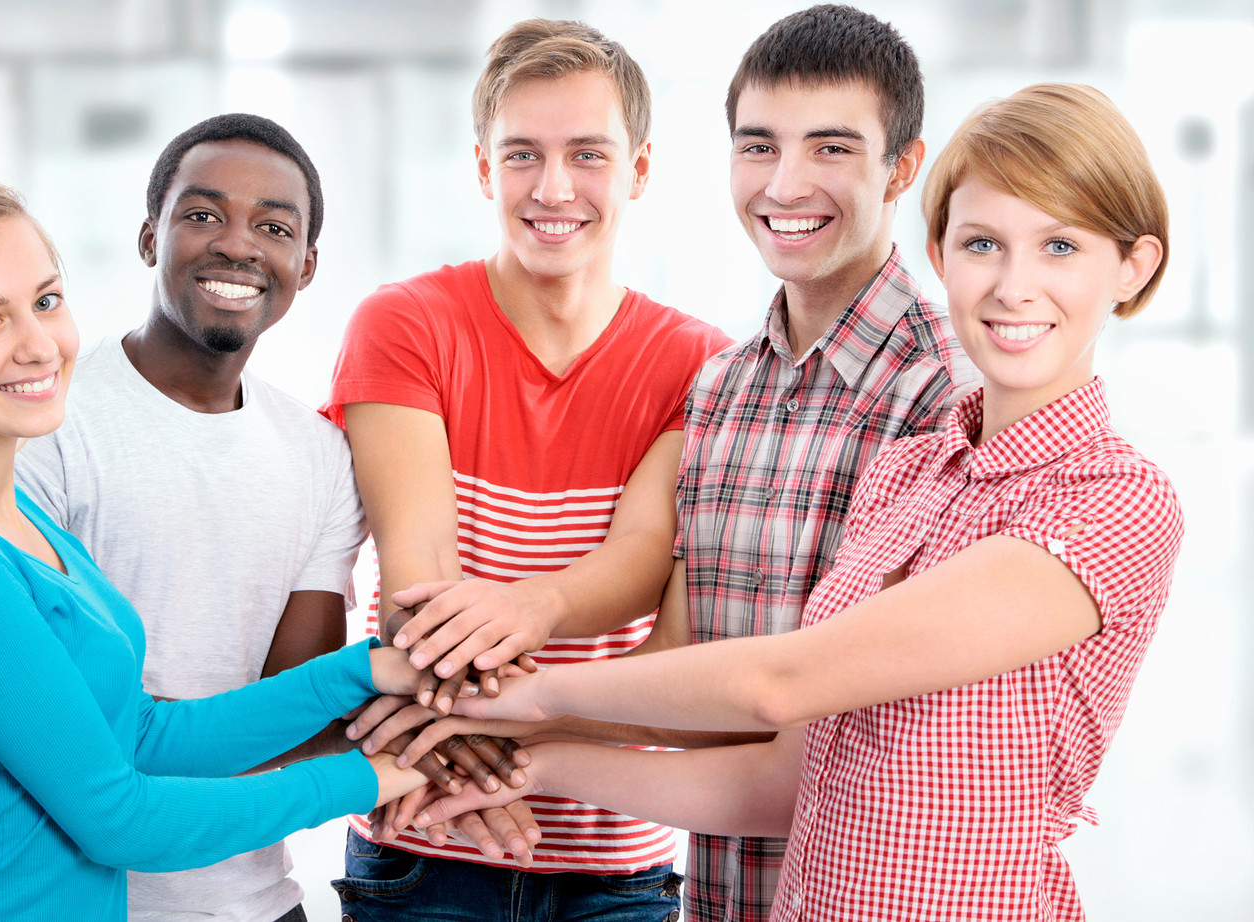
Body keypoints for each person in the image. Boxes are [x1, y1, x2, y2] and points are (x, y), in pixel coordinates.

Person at [411, 82, 1182, 922]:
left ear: (1133, 267)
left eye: (1060, 247)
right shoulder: (908, 473)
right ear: (943, 251)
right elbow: (779, 781)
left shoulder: (1116, 500)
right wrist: (534, 765)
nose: (1013, 286)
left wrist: (531, 697)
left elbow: (783, 681)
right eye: (984, 244)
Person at [351, 7, 977, 919]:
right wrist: (476, 737)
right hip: (705, 889)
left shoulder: (946, 402)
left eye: (832, 148)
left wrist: (472, 723)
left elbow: (824, 724)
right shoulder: (729, 383)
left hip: (839, 887)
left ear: (902, 170)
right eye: (759, 145)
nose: (788, 181)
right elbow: (679, 656)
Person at [0, 171, 431, 922]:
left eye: (45, 302)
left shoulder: (22, 526)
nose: (39, 346)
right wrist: (372, 777)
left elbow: (143, 736)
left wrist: (367, 670)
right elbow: (123, 821)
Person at [321, 17, 732, 922]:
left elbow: (635, 566)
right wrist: (471, 762)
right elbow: (417, 573)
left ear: (640, 169)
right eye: (522, 156)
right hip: (424, 845)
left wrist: (524, 628)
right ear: (482, 170)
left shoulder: (701, 364)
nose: (554, 188)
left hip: (616, 862)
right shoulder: (405, 324)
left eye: (588, 154)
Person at [14, 113, 369, 922]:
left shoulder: (321, 456)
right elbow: (66, 724)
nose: (238, 246)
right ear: (150, 237)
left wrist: (430, 736)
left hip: (258, 902)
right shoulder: (46, 429)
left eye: (272, 227)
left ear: (305, 266)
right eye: (203, 215)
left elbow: (294, 709)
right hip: (81, 902)